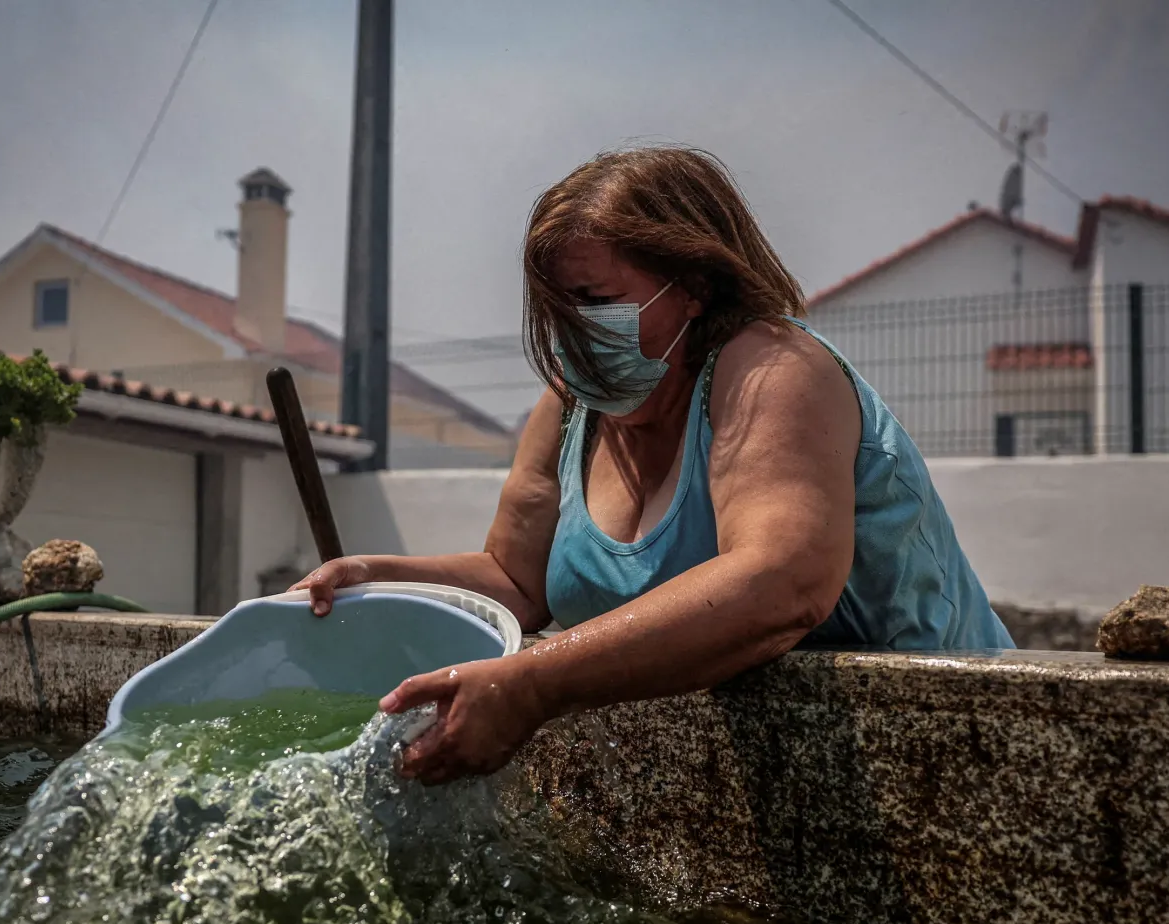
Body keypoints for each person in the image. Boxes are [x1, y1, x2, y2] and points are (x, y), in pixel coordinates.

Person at [293, 146, 1013, 786]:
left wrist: (530, 687)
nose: (571, 328)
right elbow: (516, 581)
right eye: (555, 306)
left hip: (950, 752)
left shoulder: (774, 370)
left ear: (694, 287)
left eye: (596, 301)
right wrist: (374, 574)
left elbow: (781, 584)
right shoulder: (572, 406)